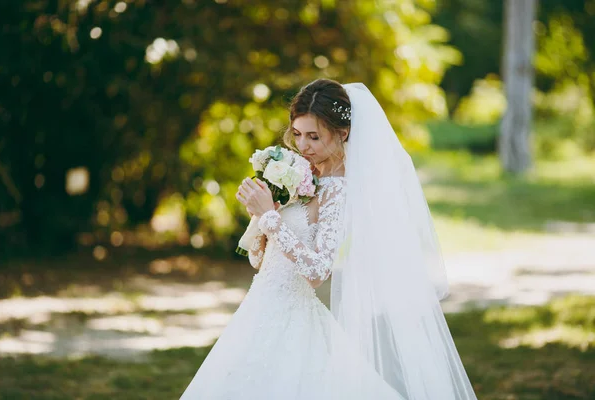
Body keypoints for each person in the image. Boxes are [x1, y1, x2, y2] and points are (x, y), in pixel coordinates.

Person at [180, 79, 477, 399]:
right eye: (296, 134)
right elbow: (259, 260)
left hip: (292, 316)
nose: (303, 146)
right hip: (260, 308)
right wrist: (263, 216)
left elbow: (318, 271)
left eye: (313, 136)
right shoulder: (301, 174)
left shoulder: (339, 188)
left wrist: (269, 217)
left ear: (342, 133)